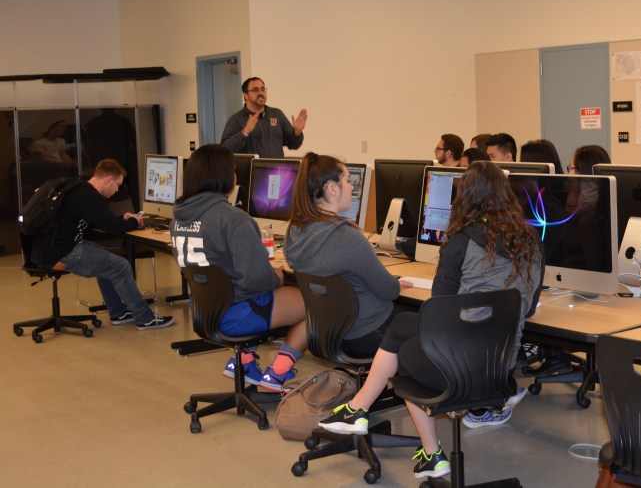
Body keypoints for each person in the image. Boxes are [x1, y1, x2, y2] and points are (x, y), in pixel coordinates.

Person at [317, 161, 545, 479]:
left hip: (457, 368)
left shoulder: (461, 242)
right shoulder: (532, 241)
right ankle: (362, 412)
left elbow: (439, 307)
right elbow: (528, 307)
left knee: (402, 352)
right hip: (498, 366)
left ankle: (426, 450)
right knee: (402, 326)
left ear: (464, 198)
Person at [170, 144, 306, 392]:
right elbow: (256, 280)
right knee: (315, 303)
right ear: (225, 176)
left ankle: (243, 362)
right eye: (233, 170)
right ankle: (278, 373)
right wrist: (277, 276)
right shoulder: (232, 219)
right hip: (236, 315)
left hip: (206, 310)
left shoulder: (177, 219)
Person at [284, 152, 403, 360]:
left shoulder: (294, 231)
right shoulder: (346, 236)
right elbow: (390, 290)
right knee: (420, 317)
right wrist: (396, 282)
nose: (351, 187)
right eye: (347, 181)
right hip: (366, 334)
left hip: (326, 333)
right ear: (332, 189)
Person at [38, 159, 174, 330]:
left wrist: (122, 219)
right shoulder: (88, 196)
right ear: (109, 180)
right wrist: (133, 222)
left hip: (54, 249)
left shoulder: (80, 189)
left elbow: (101, 221)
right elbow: (114, 228)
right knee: (120, 266)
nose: (116, 191)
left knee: (108, 260)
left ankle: (118, 313)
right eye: (117, 185)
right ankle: (145, 318)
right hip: (62, 253)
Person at [220, 77, 308, 158]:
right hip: (251, 170)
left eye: (263, 89)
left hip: (276, 169)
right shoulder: (236, 119)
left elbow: (293, 145)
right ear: (245, 95)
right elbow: (226, 150)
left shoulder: (277, 114)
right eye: (255, 90)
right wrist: (245, 132)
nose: (261, 93)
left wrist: (297, 132)